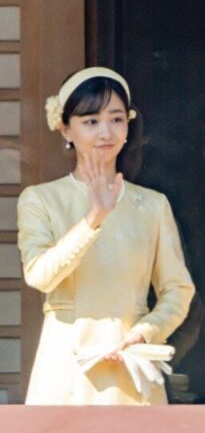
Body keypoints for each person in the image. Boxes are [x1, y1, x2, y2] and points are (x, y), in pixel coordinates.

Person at [18, 67, 195, 405]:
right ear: (65, 128)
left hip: (131, 368)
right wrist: (94, 217)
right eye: (91, 121)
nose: (105, 132)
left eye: (116, 119)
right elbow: (40, 275)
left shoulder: (152, 205)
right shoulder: (40, 199)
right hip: (67, 368)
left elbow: (177, 289)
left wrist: (144, 332)